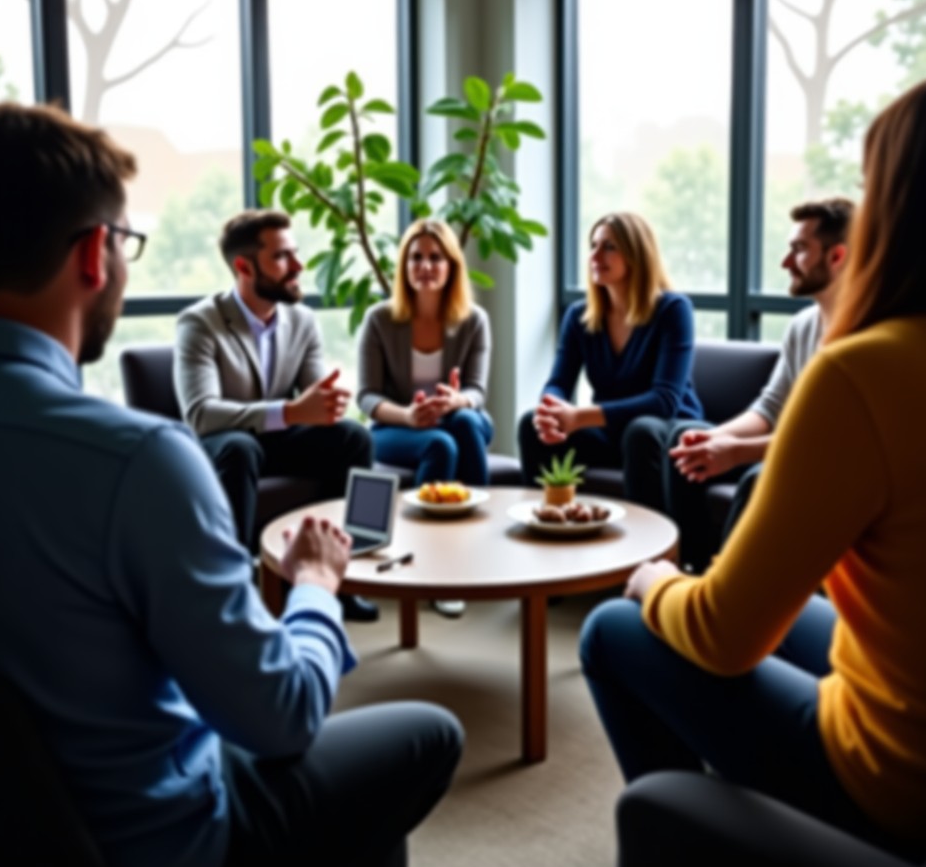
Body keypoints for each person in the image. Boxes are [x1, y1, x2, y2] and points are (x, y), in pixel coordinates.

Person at [0, 103, 463, 867]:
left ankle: (361, 548)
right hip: (162, 839)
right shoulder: (137, 458)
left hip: (0, 826)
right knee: (429, 734)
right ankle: (312, 583)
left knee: (354, 438)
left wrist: (317, 411)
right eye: (127, 241)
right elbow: (283, 717)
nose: (295, 268)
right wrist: (317, 584)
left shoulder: (296, 326)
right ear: (96, 252)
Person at [579, 73, 926, 866]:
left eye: (874, 185)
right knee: (784, 616)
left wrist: (655, 580)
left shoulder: (868, 369)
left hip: (896, 780)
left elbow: (725, 639)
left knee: (613, 628)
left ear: (901, 208)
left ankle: (703, 842)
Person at [628, 198, 855, 571]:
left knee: (756, 478)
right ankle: (689, 569)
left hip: (833, 467)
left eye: (799, 250)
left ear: (837, 257)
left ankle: (720, 594)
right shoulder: (803, 325)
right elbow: (769, 407)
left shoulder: (865, 338)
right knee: (685, 438)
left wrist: (736, 452)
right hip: (789, 450)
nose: (784, 262)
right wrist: (717, 437)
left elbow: (831, 443)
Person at [175, 208, 378, 622]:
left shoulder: (302, 320)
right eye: (282, 257)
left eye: (295, 254)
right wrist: (288, 411)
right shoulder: (200, 323)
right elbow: (200, 414)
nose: (298, 267)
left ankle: (346, 574)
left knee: (355, 437)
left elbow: (315, 394)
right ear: (244, 266)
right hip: (223, 441)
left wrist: (328, 403)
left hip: (279, 441)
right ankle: (237, 594)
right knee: (239, 447)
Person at [357, 218, 492, 618]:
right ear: (404, 266)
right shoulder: (379, 320)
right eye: (416, 257)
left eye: (436, 258)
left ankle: (477, 554)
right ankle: (434, 570)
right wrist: (409, 415)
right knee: (439, 444)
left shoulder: (474, 320)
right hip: (395, 426)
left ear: (452, 265)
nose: (426, 266)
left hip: (460, 418)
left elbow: (478, 392)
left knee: (464, 426)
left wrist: (456, 401)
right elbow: (366, 397)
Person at [518, 211, 703, 490]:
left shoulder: (674, 310)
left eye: (609, 247)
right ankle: (547, 521)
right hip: (612, 433)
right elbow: (558, 383)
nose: (595, 256)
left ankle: (648, 534)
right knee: (529, 424)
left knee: (640, 432)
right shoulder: (580, 316)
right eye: (593, 246)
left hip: (668, 430)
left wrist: (580, 417)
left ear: (636, 254)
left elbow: (664, 401)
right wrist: (550, 410)